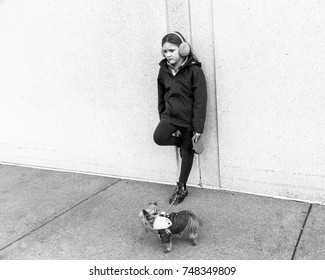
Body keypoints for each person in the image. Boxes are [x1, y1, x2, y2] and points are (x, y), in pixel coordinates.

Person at [153, 31, 207, 205]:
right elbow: (161, 95)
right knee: (159, 137)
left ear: (183, 49)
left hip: (188, 120)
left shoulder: (195, 71)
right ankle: (186, 144)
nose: (167, 55)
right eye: (165, 52)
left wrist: (198, 128)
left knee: (186, 152)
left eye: (171, 50)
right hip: (170, 117)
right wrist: (163, 115)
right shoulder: (163, 71)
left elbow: (200, 101)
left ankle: (181, 187)